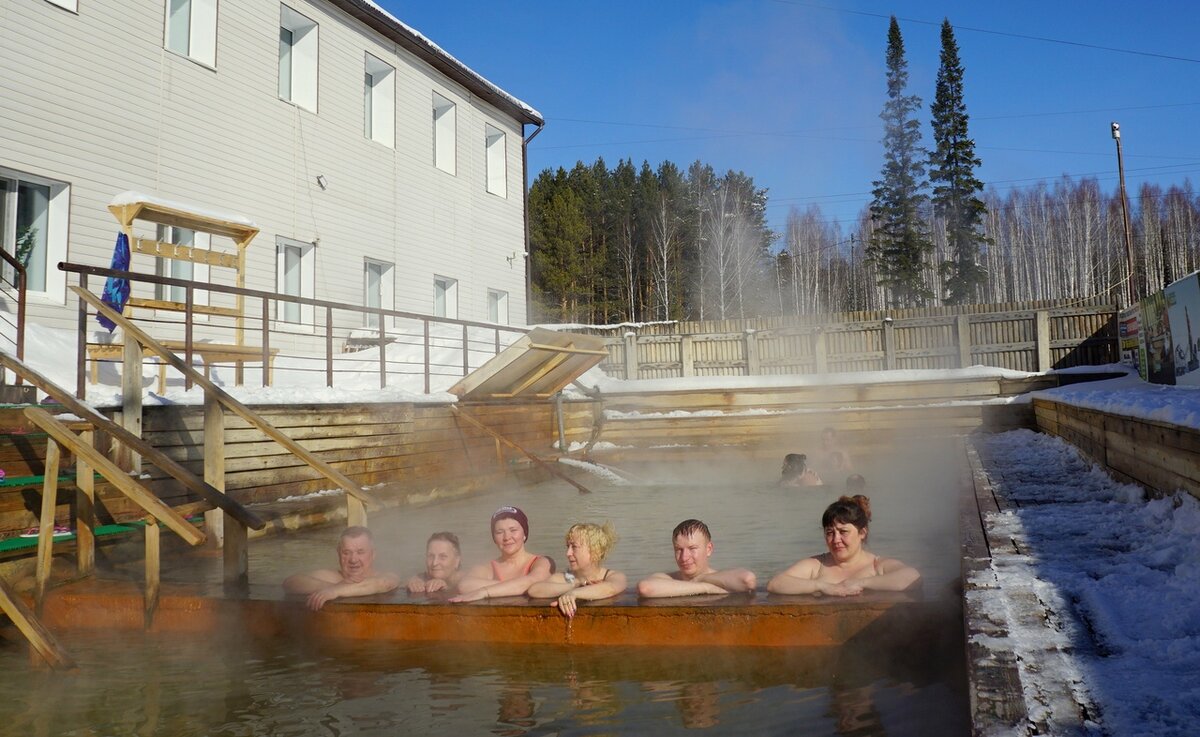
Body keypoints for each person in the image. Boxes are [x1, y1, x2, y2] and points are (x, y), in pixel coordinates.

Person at [767, 495, 920, 596]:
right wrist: (823, 586)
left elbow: (912, 577)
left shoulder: (877, 566)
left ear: (862, 533)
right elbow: (775, 583)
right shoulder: (817, 566)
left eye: (843, 532)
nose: (836, 539)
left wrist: (861, 583)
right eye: (829, 532)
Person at [283, 526, 401, 611]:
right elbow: (290, 582)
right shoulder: (334, 577)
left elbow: (383, 584)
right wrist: (333, 586)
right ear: (338, 553)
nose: (353, 559)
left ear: (373, 554)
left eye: (360, 552)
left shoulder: (384, 576)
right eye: (346, 552)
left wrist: (336, 591)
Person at [449, 506, 553, 602]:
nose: (507, 537)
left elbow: (535, 581)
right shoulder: (488, 568)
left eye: (513, 530)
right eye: (499, 532)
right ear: (494, 538)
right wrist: (519, 586)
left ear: (524, 534)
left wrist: (485, 591)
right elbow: (465, 585)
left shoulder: (541, 562)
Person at [528, 522, 627, 618]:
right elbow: (534, 590)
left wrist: (574, 593)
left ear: (595, 551)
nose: (568, 553)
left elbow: (610, 589)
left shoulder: (614, 576)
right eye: (568, 547)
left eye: (574, 547)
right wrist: (575, 585)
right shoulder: (565, 577)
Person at [636, 519, 756, 598]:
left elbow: (748, 580)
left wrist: (701, 578)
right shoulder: (667, 578)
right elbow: (645, 588)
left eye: (692, 548)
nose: (684, 557)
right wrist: (705, 587)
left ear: (709, 549)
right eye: (679, 549)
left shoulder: (720, 576)